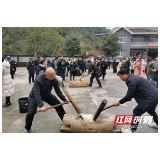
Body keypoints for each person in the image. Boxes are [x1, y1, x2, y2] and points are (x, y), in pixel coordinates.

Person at [23, 68, 70, 133]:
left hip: (47, 95)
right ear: (46, 75)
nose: (54, 77)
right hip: (35, 96)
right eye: (52, 76)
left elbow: (58, 91)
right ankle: (27, 128)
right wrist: (41, 105)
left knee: (58, 105)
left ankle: (65, 121)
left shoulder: (54, 80)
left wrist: (64, 99)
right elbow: (37, 93)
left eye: (54, 75)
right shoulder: (38, 79)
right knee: (30, 113)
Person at [114, 68, 158, 133]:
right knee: (151, 111)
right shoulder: (132, 77)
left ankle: (132, 130)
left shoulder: (131, 81)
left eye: (121, 77)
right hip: (155, 96)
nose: (121, 79)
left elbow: (129, 95)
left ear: (125, 74)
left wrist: (119, 102)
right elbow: (132, 92)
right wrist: (130, 96)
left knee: (137, 111)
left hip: (149, 98)